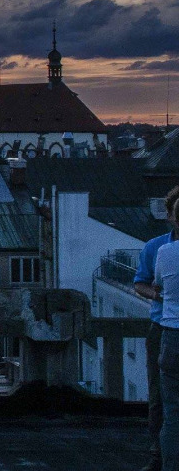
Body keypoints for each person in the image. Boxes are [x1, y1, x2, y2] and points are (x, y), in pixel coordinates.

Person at [135, 185, 179, 471]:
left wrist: (160, 291)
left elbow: (156, 282)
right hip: (160, 327)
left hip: (170, 330)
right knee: (158, 399)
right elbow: (140, 283)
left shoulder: (164, 251)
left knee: (169, 401)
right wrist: (155, 295)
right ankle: (157, 456)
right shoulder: (155, 246)